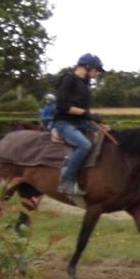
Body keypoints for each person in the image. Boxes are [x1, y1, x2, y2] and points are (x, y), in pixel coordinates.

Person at [53, 54, 105, 196]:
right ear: (87, 67)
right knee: (85, 145)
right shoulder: (69, 80)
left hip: (81, 123)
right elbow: (63, 106)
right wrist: (87, 115)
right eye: (96, 70)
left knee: (106, 136)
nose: (97, 73)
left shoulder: (85, 84)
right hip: (64, 123)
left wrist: (97, 121)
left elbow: (84, 110)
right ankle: (67, 181)